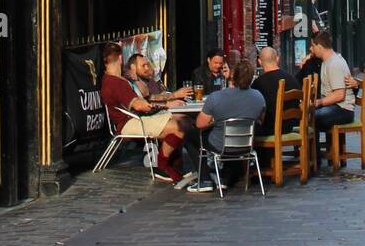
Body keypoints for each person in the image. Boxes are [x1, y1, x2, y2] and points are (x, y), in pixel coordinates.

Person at [98, 42, 186, 183]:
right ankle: (162, 166)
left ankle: (173, 162)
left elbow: (144, 97)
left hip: (135, 118)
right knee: (179, 126)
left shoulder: (113, 79)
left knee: (183, 119)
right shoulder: (116, 82)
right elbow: (140, 106)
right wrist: (164, 106)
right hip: (129, 122)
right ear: (121, 58)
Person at [187, 59, 266, 193]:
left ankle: (204, 179)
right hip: (246, 143)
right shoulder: (258, 96)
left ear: (232, 76)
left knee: (191, 135)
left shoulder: (216, 97)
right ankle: (225, 177)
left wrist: (214, 122)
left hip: (220, 143)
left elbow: (200, 124)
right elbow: (260, 120)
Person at [309, 30, 355, 168]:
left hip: (342, 110)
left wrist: (319, 102)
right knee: (310, 115)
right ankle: (314, 156)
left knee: (312, 116)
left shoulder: (334, 64)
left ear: (320, 46)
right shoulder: (327, 61)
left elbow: (339, 95)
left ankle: (314, 159)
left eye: (312, 46)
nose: (311, 49)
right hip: (336, 107)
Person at [252, 46, 298, 133]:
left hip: (270, 129)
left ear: (259, 62)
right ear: (277, 59)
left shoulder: (258, 83)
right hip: (290, 127)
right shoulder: (291, 78)